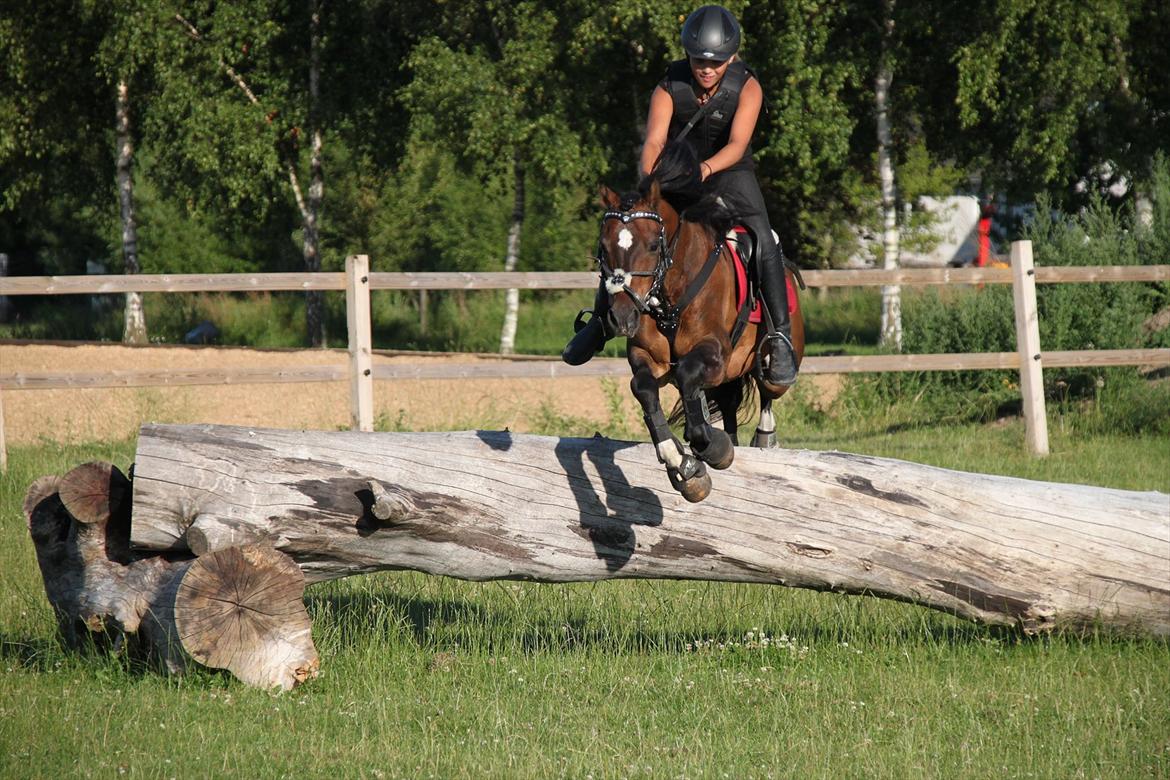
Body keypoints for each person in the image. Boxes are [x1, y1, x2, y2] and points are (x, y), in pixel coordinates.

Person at [562, 4, 798, 386]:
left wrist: (703, 171)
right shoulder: (669, 84)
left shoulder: (748, 85)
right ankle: (600, 321)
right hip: (675, 174)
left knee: (763, 238)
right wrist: (654, 179)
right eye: (699, 61)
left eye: (716, 62)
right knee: (628, 228)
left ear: (731, 57)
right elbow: (654, 140)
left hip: (731, 173)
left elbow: (737, 144)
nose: (706, 69)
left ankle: (780, 336)